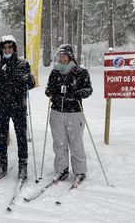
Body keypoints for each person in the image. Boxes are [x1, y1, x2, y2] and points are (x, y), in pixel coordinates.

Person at [45, 44, 93, 183]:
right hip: (57, 112)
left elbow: (88, 89)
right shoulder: (55, 72)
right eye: (60, 55)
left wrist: (77, 93)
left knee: (76, 143)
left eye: (64, 55)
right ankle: (62, 170)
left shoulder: (80, 72)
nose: (61, 58)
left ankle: (80, 171)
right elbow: (49, 88)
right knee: (59, 143)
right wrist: (50, 91)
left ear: (70, 56)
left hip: (74, 112)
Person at [0, 35, 35, 179]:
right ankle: (3, 165)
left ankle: (23, 165)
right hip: (2, 106)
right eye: (5, 48)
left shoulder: (23, 64)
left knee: (21, 136)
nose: (7, 50)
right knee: (2, 136)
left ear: (14, 49)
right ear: (1, 49)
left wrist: (28, 79)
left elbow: (31, 83)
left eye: (10, 47)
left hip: (18, 106)